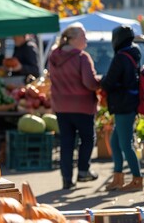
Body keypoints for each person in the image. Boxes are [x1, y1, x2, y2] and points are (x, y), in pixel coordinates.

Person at [48, 23, 100, 190]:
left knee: (66, 142)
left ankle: (66, 179)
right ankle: (83, 170)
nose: (86, 39)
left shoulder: (54, 56)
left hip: (61, 105)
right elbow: (90, 83)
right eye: (83, 36)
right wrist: (102, 82)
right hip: (82, 105)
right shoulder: (82, 58)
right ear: (74, 39)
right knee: (87, 139)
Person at [101, 25, 143, 192]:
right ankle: (118, 178)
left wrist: (101, 81)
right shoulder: (134, 52)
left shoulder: (121, 57)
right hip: (129, 103)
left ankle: (137, 179)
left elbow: (109, 81)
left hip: (123, 105)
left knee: (126, 144)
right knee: (115, 142)